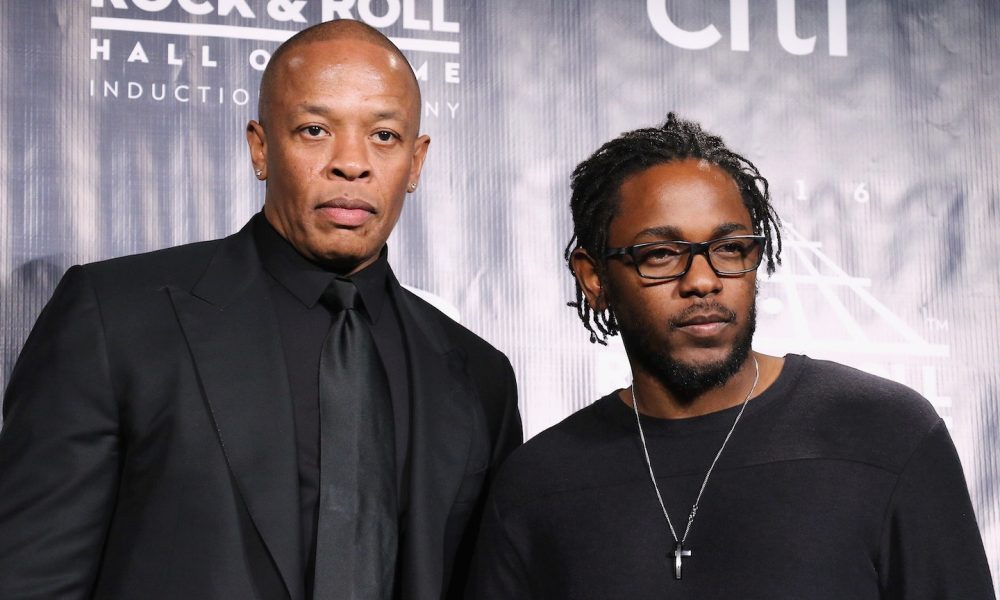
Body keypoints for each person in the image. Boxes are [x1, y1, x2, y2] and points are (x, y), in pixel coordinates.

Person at [0, 20, 521, 600]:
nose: (352, 164)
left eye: (384, 136)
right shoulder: (114, 317)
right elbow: (32, 578)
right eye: (315, 129)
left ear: (417, 162)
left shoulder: (481, 377)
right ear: (261, 146)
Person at [468, 114, 995, 599]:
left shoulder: (887, 433)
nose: (703, 280)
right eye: (661, 254)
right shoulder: (537, 484)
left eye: (729, 248)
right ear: (594, 278)